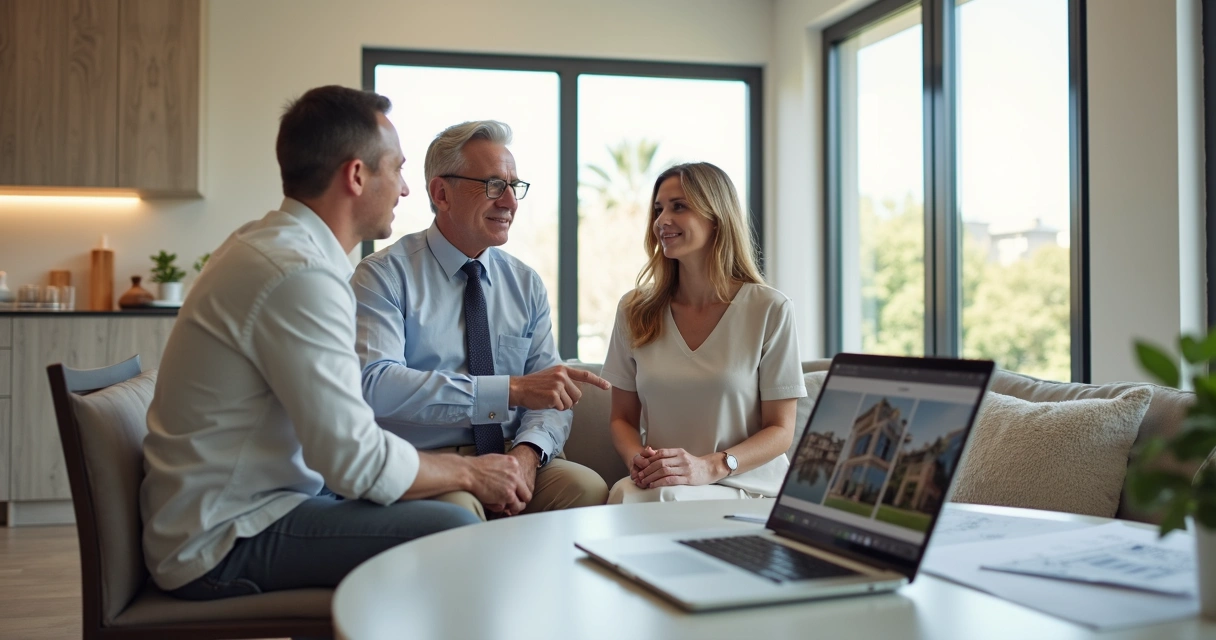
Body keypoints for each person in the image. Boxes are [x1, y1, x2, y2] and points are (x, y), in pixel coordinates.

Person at [141, 86, 530, 600]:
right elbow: (354, 460)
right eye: (397, 169)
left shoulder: (272, 247)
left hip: (248, 507)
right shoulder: (298, 274)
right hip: (225, 535)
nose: (406, 190)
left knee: (439, 515)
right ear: (356, 175)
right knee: (449, 531)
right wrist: (471, 472)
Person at [352, 120, 611, 520]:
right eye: (493, 185)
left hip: (510, 453)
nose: (510, 202)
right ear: (442, 193)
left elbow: (550, 397)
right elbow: (376, 384)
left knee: (587, 489)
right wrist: (510, 390)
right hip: (428, 464)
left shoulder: (525, 283)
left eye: (514, 186)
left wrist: (527, 456)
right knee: (460, 513)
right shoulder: (383, 276)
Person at [600, 162, 807, 504]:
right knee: (626, 493)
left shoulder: (770, 309)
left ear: (716, 218)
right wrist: (638, 460)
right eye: (658, 209)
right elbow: (622, 418)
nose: (661, 220)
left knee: (659, 502)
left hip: (746, 486)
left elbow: (781, 431)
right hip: (664, 485)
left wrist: (711, 467)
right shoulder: (634, 310)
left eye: (678, 207)